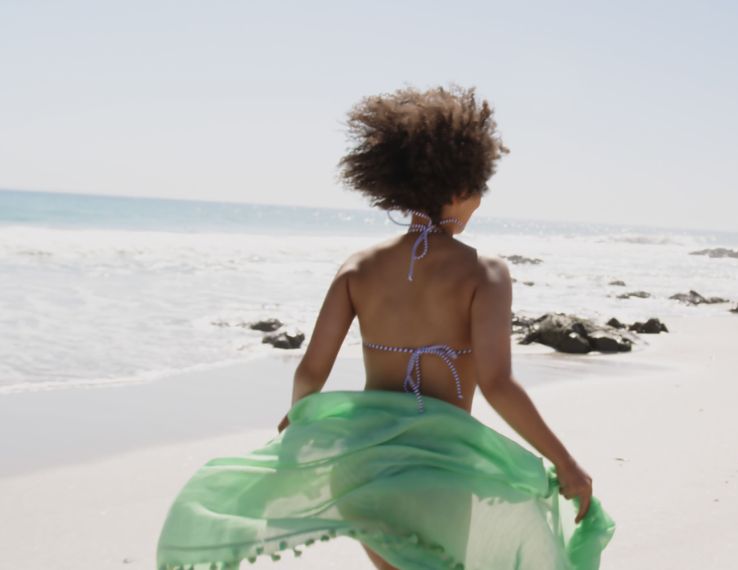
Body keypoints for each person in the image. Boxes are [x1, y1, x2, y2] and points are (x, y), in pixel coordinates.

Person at [156, 85, 615, 570]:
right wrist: (564, 462)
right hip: (441, 465)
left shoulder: (357, 267)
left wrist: (302, 427)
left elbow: (311, 372)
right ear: (459, 190)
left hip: (363, 464)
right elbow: (497, 383)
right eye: (479, 190)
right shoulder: (486, 272)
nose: (480, 201)